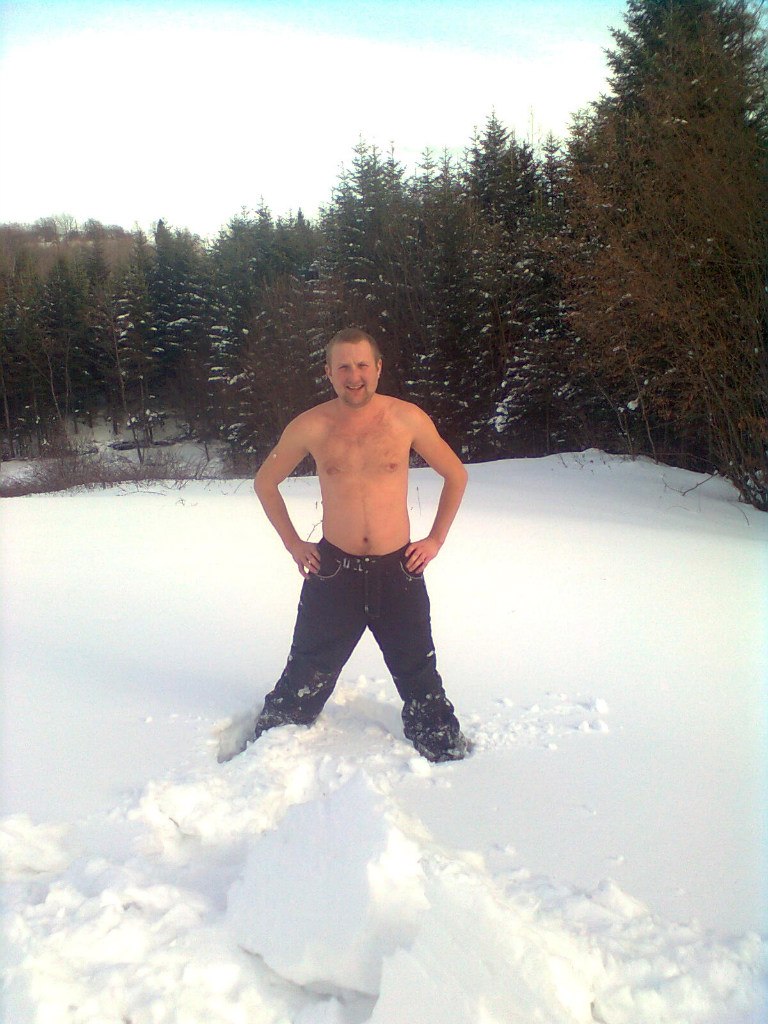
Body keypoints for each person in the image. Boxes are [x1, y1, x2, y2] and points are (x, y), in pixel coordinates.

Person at [239, 327, 469, 762]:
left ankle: (445, 754)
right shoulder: (310, 426)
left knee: (420, 676)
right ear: (328, 372)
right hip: (333, 571)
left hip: (399, 569)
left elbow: (456, 474)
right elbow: (265, 483)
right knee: (304, 675)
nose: (354, 375)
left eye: (362, 365)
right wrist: (294, 544)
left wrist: (435, 539)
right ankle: (268, 751)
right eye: (343, 366)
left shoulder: (406, 419)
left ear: (378, 368)